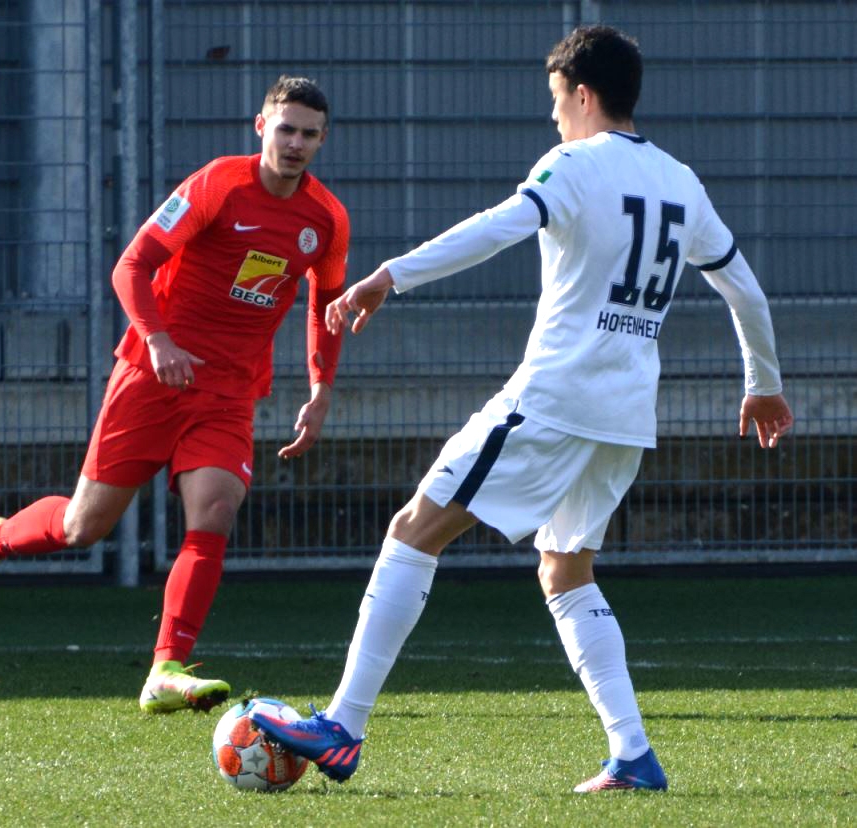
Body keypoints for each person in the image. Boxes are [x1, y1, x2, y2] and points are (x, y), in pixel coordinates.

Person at [252, 27, 794, 792]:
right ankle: (632, 754)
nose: (553, 116)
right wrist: (763, 383)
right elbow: (744, 288)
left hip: (554, 399)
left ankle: (343, 726)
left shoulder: (572, 164)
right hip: (625, 415)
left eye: (556, 100)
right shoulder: (680, 181)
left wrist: (389, 275)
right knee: (566, 570)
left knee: (414, 530)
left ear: (583, 94)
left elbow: (498, 226)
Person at [0, 75, 350, 714]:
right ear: (261, 126)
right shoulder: (217, 184)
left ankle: (166, 668)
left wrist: (320, 389)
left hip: (228, 391)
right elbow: (131, 265)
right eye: (286, 128)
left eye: (309, 134)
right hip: (153, 376)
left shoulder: (326, 218)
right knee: (83, 527)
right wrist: (157, 340)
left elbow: (326, 304)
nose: (295, 143)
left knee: (216, 510)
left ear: (323, 141)